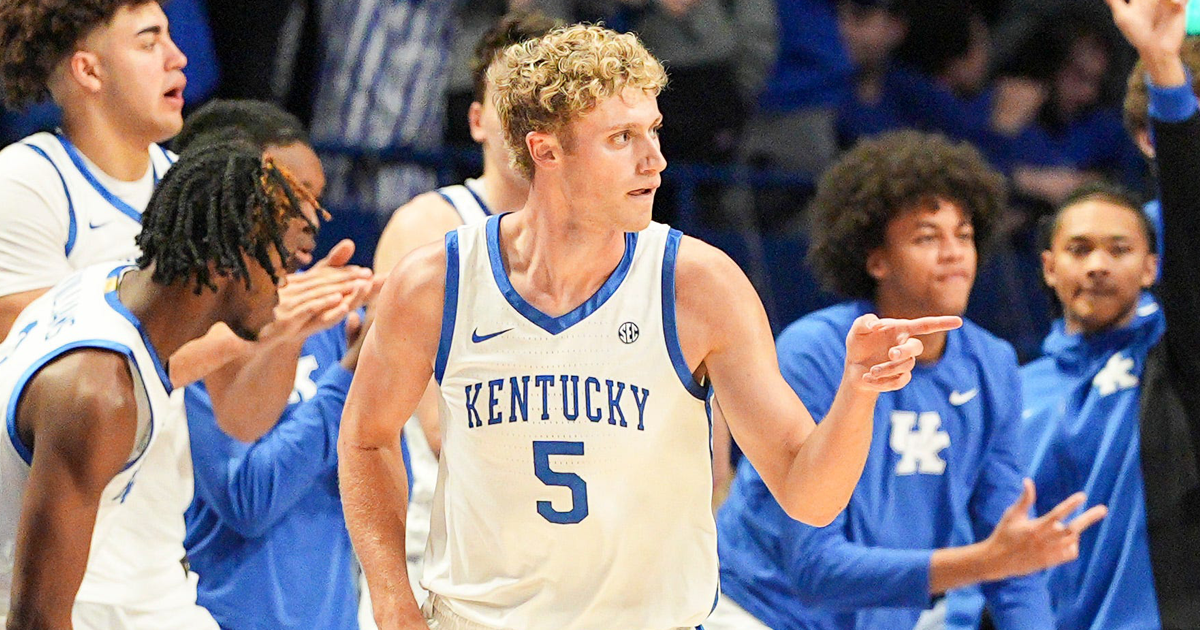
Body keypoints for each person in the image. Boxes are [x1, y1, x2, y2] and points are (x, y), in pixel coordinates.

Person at [340, 24, 965, 629]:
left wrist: (856, 395)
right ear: (546, 150)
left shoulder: (699, 286)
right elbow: (365, 437)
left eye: (654, 131)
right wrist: (392, 599)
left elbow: (810, 495)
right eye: (622, 138)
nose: (656, 160)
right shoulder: (437, 281)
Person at [709, 131, 1105, 630]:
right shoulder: (817, 351)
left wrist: (1004, 564)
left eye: (963, 235)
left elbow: (1010, 548)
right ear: (876, 259)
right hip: (758, 609)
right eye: (926, 237)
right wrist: (990, 560)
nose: (952, 252)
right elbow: (815, 569)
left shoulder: (993, 362)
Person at [0, 142, 321, 628]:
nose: (287, 281)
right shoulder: (99, 396)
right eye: (279, 260)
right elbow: (36, 619)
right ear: (226, 260)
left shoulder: (105, 287)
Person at [1013, 0, 1200, 625]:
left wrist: (1167, 74)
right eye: (1081, 250)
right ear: (1048, 267)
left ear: (1150, 268)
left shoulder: (1173, 352)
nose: (1100, 266)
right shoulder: (1022, 385)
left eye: (1119, 251)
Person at [369, 12, 559, 614]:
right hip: (441, 539)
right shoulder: (427, 229)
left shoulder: (603, 241)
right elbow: (435, 427)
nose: (529, 124)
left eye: (545, 104)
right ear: (477, 119)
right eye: (513, 102)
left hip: (565, 536)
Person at [167, 99, 376, 630]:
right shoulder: (195, 339)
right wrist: (346, 379)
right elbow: (248, 499)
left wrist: (381, 381)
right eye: (290, 198)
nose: (310, 219)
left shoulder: (329, 317)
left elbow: (372, 498)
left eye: (317, 199)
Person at [0, 0, 187, 336]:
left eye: (169, 37)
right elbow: (48, 369)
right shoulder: (24, 182)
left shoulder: (193, 185)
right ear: (88, 71)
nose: (177, 58)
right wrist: (233, 338)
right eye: (149, 43)